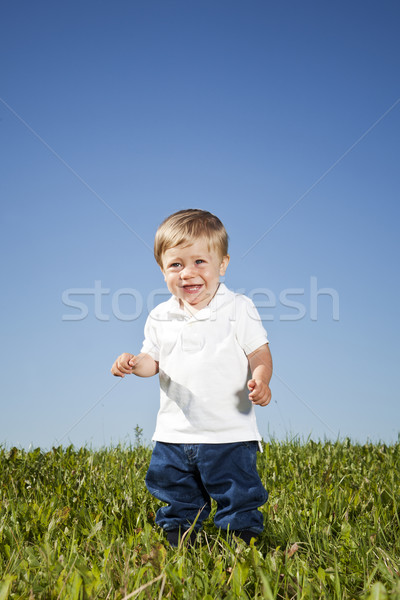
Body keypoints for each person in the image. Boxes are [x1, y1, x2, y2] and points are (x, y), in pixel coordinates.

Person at [111, 209, 272, 546]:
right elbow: (152, 361)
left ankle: (241, 542)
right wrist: (133, 363)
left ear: (222, 265)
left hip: (229, 430)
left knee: (237, 492)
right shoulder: (160, 315)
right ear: (162, 270)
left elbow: (259, 352)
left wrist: (261, 378)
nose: (188, 273)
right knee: (176, 492)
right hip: (174, 432)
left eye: (200, 262)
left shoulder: (238, 307)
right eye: (176, 265)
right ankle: (180, 540)